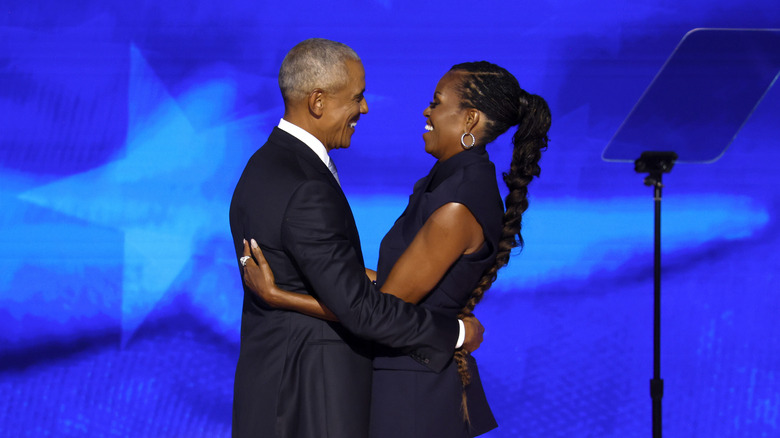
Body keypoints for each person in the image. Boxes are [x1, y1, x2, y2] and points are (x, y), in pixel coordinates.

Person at [241, 60, 552, 437]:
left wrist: (279, 295)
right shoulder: (445, 183)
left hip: (413, 391)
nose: (427, 111)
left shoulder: (457, 202)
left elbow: (375, 311)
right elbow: (387, 286)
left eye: (436, 103)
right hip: (403, 379)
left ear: (469, 120)